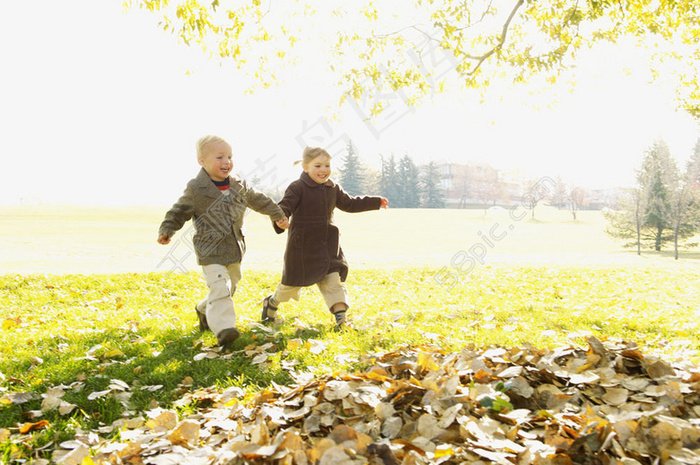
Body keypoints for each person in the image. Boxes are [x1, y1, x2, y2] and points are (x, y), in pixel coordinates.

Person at [157, 135, 289, 345]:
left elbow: (259, 200)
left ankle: (203, 309)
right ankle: (224, 329)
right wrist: (167, 229)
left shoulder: (239, 185)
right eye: (219, 157)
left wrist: (277, 214)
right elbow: (178, 211)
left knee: (229, 287)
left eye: (229, 156)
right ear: (202, 161)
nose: (226, 161)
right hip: (210, 250)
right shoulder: (196, 188)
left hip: (235, 248)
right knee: (220, 287)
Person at [262, 146, 388, 328]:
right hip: (303, 246)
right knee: (290, 287)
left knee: (333, 280)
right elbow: (285, 206)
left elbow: (350, 203)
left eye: (327, 165)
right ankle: (271, 303)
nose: (323, 170)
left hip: (328, 244)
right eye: (318, 166)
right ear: (305, 167)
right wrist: (281, 219)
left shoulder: (333, 188)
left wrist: (375, 201)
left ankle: (341, 320)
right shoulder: (297, 187)